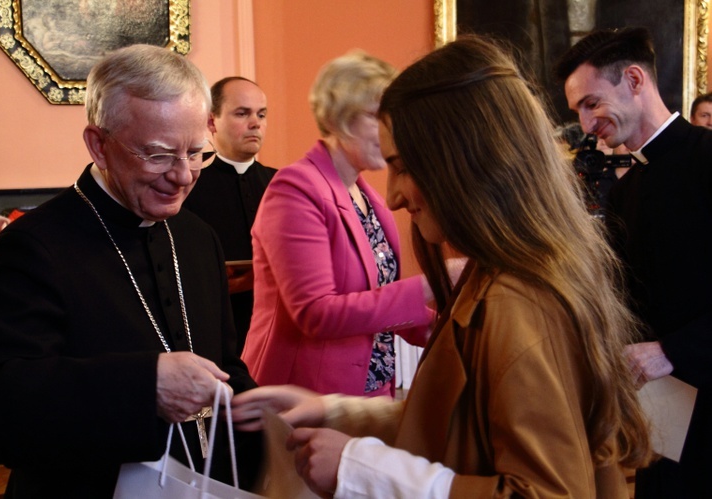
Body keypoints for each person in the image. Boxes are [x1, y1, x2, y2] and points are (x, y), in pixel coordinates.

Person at [232, 34, 652, 498]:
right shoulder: (499, 275)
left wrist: (362, 470)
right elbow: (457, 420)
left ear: (463, 162)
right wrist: (337, 414)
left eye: (405, 167)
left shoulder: (518, 301)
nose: (393, 195)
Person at [0, 45, 261, 497]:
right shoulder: (34, 246)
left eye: (196, 153)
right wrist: (144, 385)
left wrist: (265, 413)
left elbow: (223, 366)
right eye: (159, 155)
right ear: (99, 144)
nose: (182, 176)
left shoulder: (198, 236)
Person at [556, 27, 712, 498]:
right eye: (578, 111)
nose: (586, 124)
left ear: (635, 79)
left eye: (591, 103)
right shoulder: (626, 189)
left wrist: (671, 350)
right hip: (662, 418)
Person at [240, 51, 438, 398]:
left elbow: (373, 301)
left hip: (369, 390)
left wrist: (441, 328)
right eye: (377, 116)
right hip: (305, 395)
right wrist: (429, 285)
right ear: (339, 118)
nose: (391, 131)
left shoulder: (368, 196)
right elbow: (315, 313)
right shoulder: (296, 188)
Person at [183, 76, 276, 354]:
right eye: (242, 113)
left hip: (273, 323)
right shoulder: (189, 186)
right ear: (212, 122)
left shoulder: (284, 184)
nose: (255, 123)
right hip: (215, 323)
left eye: (261, 114)